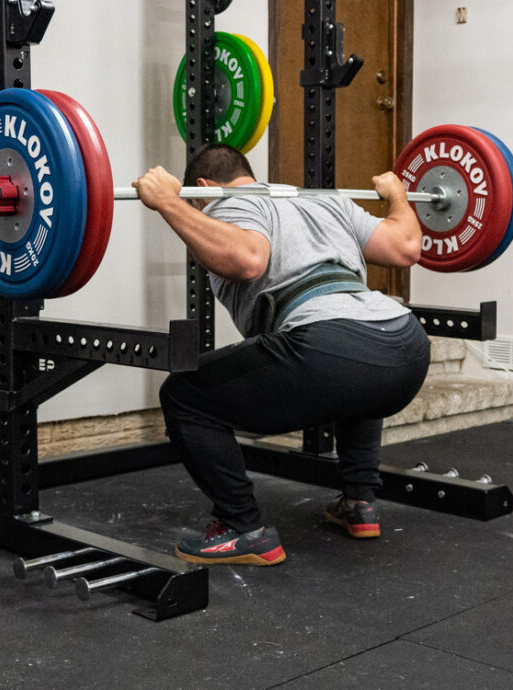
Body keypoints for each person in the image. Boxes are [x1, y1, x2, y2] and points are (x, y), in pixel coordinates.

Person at [132, 144, 430, 566]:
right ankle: (359, 502)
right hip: (406, 346)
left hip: (334, 346)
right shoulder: (322, 200)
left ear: (203, 188)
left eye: (197, 202)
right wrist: (398, 196)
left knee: (184, 394)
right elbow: (406, 249)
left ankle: (241, 527)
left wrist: (167, 203)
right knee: (354, 367)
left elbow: (247, 259)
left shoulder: (232, 202)